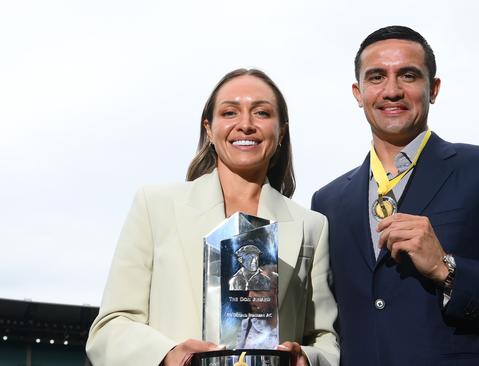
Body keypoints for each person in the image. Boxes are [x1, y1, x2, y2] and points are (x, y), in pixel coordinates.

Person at [311, 26, 479, 365]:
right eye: (376, 77)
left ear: (433, 89)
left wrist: (446, 268)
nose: (391, 91)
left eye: (408, 75)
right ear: (358, 93)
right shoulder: (327, 201)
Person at [86, 68, 339, 366]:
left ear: (281, 130)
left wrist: (307, 359)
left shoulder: (312, 226)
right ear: (209, 128)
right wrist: (168, 356)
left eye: (261, 113)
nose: (245, 125)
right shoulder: (155, 206)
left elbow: (324, 338)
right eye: (230, 112)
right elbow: (110, 327)